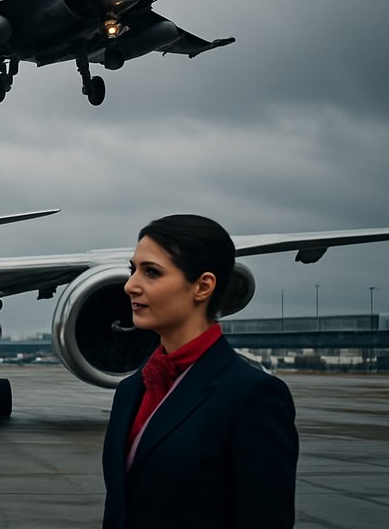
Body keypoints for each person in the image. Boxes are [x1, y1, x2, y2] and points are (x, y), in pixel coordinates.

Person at [101, 214, 298, 528]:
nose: (130, 286)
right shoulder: (131, 391)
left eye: (151, 272)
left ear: (203, 286)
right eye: (132, 269)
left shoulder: (252, 396)